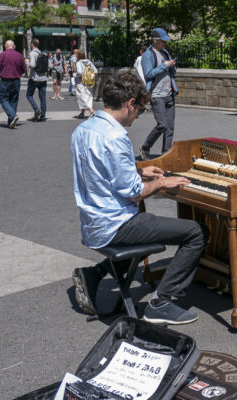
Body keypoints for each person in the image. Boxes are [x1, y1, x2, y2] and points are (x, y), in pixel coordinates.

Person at [71, 72, 209, 325]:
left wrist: (139, 169)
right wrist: (162, 182)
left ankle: (96, 273)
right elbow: (134, 192)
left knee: (147, 222)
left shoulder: (84, 129)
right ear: (130, 103)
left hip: (93, 223)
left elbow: (102, 167)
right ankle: (161, 302)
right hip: (116, 226)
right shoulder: (116, 136)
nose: (139, 115)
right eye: (140, 109)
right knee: (196, 232)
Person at [139, 28, 178, 160]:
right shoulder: (148, 55)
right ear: (155, 40)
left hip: (169, 93)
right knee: (162, 124)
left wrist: (172, 65)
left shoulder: (165, 52)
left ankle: (166, 155)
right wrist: (164, 66)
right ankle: (146, 146)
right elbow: (148, 74)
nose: (165, 44)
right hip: (157, 94)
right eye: (163, 41)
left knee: (170, 128)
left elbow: (173, 72)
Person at [0, 40, 26, 128]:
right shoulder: (19, 55)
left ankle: (12, 116)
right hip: (16, 80)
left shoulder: (2, 55)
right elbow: (24, 70)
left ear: (5, 46)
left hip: (5, 80)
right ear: (13, 46)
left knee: (3, 99)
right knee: (13, 100)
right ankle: (11, 122)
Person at [26, 38, 48, 122]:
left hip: (34, 78)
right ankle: (43, 116)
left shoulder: (32, 53)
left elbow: (32, 65)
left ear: (32, 44)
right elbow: (48, 66)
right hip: (43, 78)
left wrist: (27, 62)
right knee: (43, 98)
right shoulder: (43, 53)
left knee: (29, 95)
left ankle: (36, 109)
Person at [73, 50, 98, 119]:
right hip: (89, 82)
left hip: (80, 82)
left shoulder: (78, 63)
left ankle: (91, 111)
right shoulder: (89, 62)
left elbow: (79, 72)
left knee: (82, 97)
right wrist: (89, 75)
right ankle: (82, 113)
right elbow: (96, 71)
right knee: (88, 96)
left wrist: (75, 75)